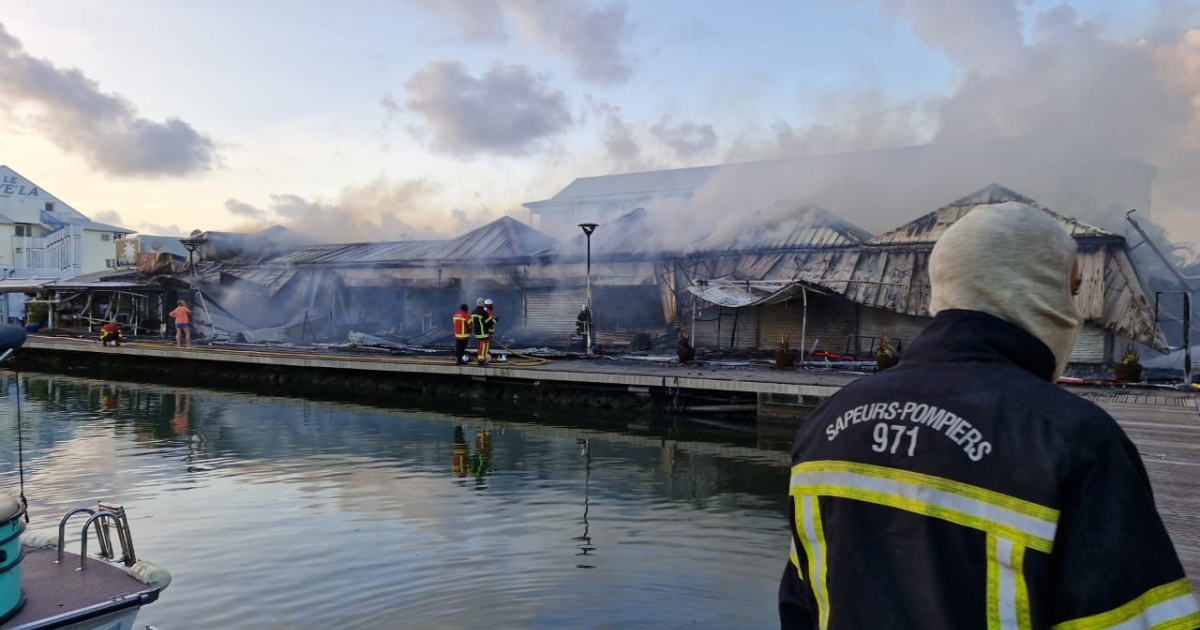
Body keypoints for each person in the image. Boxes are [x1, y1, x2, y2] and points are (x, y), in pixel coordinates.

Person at [779, 203, 1199, 629]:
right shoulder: (1073, 440)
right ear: (1032, 291)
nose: (1076, 312)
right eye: (1071, 291)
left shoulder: (828, 422)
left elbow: (801, 603)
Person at [470, 298, 494, 365]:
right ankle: (481, 361)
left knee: (480, 347)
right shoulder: (484, 312)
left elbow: (471, 322)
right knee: (484, 348)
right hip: (484, 333)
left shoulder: (473, 312)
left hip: (477, 333)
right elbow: (488, 323)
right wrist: (495, 320)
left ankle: (481, 359)